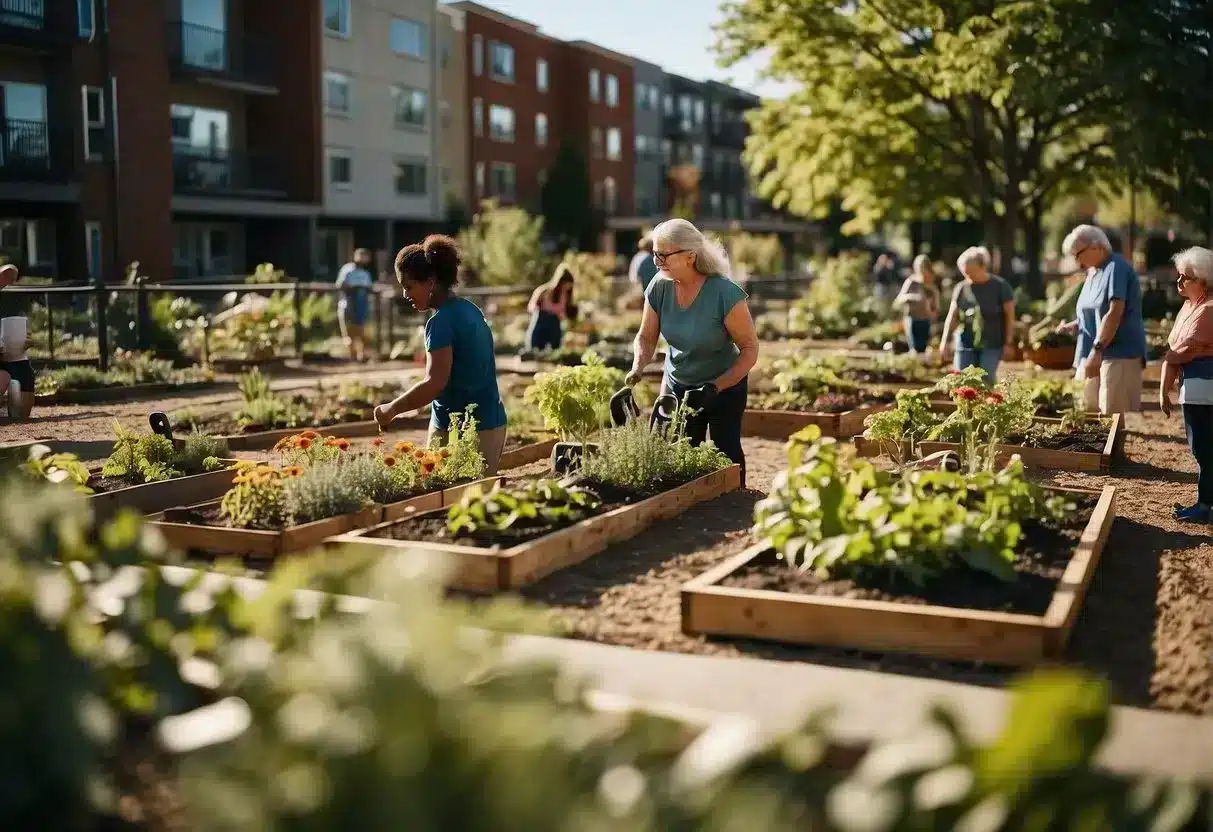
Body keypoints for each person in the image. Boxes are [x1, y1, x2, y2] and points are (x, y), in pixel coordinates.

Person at [627, 218, 759, 484]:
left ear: (689, 256)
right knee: (683, 457)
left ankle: (738, 504)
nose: (656, 262)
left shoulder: (724, 292)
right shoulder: (659, 286)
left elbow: (749, 350)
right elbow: (646, 337)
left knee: (727, 454)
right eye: (655, 254)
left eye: (663, 255)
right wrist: (637, 367)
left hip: (724, 384)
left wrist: (715, 387)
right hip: (679, 385)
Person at [373, 235, 508, 475]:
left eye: (409, 286)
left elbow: (434, 383)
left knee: (458, 499)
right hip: (485, 421)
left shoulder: (441, 323)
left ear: (431, 282)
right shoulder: (470, 309)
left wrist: (391, 409)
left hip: (470, 429)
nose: (405, 295)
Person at [1056, 224, 1147, 414]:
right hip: (1090, 352)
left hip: (1116, 352)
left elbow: (1115, 312)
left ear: (1096, 246)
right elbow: (1092, 312)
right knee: (1085, 410)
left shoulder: (1116, 267)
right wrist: (1074, 326)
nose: (1076, 261)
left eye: (1078, 254)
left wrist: (1097, 350)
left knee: (1110, 414)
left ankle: (1116, 445)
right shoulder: (1092, 273)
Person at [1159, 247, 1213, 523]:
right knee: (1202, 449)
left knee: (1205, 449)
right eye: (1178, 276)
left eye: (1186, 278)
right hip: (1194, 389)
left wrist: (1177, 357)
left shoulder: (1208, 310)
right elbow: (1177, 351)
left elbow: (1180, 352)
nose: (1179, 282)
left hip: (1205, 390)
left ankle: (1205, 507)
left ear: (1203, 280)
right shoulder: (1190, 306)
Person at [938, 246, 1015, 378]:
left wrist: (1008, 343)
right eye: (965, 273)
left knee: (986, 379)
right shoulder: (961, 288)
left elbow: (1010, 316)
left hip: (992, 342)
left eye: (970, 272)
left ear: (983, 266)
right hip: (965, 343)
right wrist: (945, 341)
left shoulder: (1001, 287)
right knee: (962, 380)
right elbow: (952, 316)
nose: (968, 276)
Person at [0, 264, 33, 421]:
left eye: (11, 279)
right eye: (4, 276)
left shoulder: (15, 299)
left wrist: (27, 339)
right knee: (4, 377)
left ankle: (12, 406)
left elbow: (26, 328)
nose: (7, 282)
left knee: (22, 415)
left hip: (15, 355)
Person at [893, 254, 941, 356]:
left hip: (926, 320)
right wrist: (913, 297)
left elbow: (936, 304)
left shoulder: (931, 284)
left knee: (924, 350)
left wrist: (934, 316)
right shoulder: (911, 282)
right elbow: (899, 298)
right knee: (914, 349)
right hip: (912, 318)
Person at [336, 248, 375, 362]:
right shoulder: (347, 270)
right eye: (361, 256)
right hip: (346, 306)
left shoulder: (366, 274)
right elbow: (340, 285)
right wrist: (353, 289)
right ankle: (352, 357)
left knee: (362, 332)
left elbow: (369, 289)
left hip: (362, 307)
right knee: (349, 333)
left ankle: (361, 357)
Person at [524, 263, 575, 351]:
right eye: (565, 284)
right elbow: (532, 307)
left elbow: (563, 312)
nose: (566, 288)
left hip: (555, 323)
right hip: (542, 320)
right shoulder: (545, 291)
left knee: (555, 345)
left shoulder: (566, 296)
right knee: (537, 346)